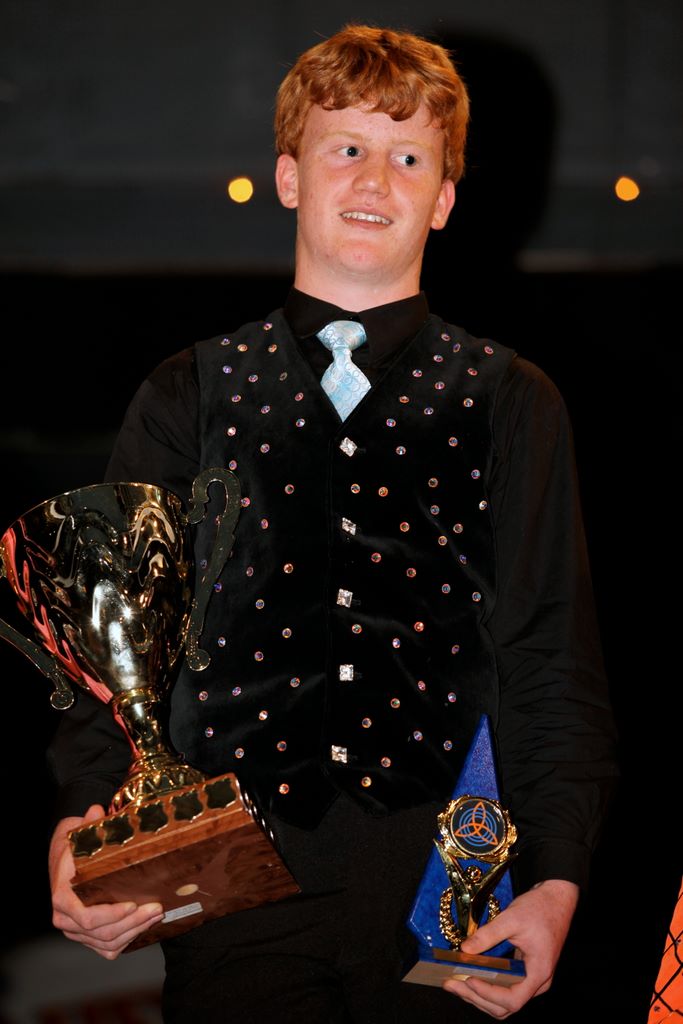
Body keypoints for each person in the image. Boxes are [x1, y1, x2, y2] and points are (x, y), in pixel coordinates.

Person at [46, 24, 617, 1022]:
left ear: (443, 198)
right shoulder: (188, 393)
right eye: (345, 147)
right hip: (231, 870)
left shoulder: (511, 398)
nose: (374, 179)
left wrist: (557, 875)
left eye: (408, 157)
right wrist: (84, 824)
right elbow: (117, 642)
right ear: (288, 176)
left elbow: (548, 656)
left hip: (452, 880)